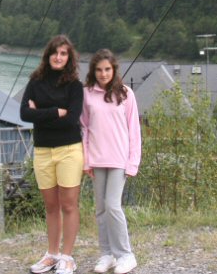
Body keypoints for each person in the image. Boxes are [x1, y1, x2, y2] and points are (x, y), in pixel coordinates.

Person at [20, 35, 83, 274]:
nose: (58, 57)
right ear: (48, 56)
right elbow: (24, 114)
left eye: (63, 53)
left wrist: (41, 114)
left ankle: (67, 257)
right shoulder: (35, 82)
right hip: (43, 151)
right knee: (50, 205)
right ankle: (52, 254)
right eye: (55, 53)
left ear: (69, 58)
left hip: (69, 151)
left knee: (68, 204)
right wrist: (56, 112)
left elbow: (72, 120)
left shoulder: (75, 86)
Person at [80, 49, 141, 274]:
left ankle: (126, 255)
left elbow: (134, 130)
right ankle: (107, 255)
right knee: (101, 209)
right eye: (99, 70)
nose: (103, 74)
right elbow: (84, 129)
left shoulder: (126, 94)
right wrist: (86, 161)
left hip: (119, 160)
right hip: (97, 160)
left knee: (113, 206)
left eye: (107, 69)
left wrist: (133, 162)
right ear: (93, 71)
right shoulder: (87, 94)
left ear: (114, 69)